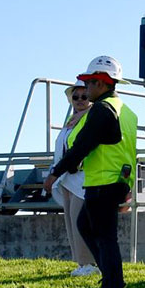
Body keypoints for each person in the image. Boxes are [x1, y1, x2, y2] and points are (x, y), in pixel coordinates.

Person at [43, 55, 138, 288]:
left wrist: (55, 173)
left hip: (103, 181)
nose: (86, 89)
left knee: (105, 238)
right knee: (86, 226)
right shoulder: (125, 111)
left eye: (90, 83)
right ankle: (111, 281)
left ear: (103, 83)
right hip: (118, 180)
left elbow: (83, 145)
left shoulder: (102, 110)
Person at [50, 84, 98, 277]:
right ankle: (80, 262)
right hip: (67, 178)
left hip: (83, 177)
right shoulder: (71, 121)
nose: (79, 100)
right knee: (71, 221)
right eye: (75, 97)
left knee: (80, 221)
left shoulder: (92, 117)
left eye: (84, 96)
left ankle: (90, 263)